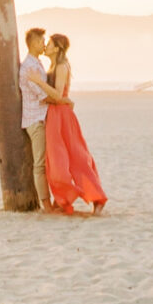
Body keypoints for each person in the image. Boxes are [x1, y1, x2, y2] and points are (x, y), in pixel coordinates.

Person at [43, 33, 107, 215]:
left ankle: (98, 199)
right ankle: (63, 198)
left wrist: (39, 84)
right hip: (54, 115)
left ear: (57, 48)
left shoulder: (62, 66)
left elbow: (57, 95)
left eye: (49, 44)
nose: (46, 47)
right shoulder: (52, 65)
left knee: (77, 159)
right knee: (56, 161)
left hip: (63, 115)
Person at [19, 26, 62, 211]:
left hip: (41, 116)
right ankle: (46, 204)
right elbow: (42, 96)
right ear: (34, 43)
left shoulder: (36, 63)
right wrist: (62, 101)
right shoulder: (29, 67)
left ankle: (53, 200)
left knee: (47, 161)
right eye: (42, 41)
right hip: (35, 119)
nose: (44, 44)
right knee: (39, 163)